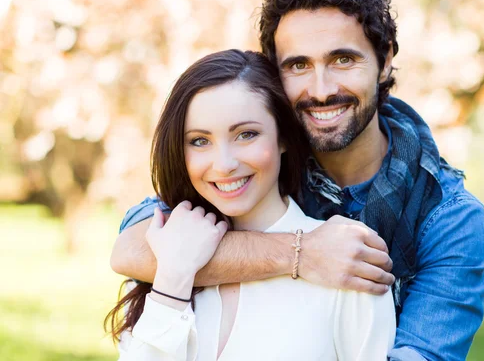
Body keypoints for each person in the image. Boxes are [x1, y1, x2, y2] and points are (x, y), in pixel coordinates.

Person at [111, 0, 484, 360]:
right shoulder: (256, 164)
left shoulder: (448, 217)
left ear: (385, 61)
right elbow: (131, 251)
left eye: (343, 60)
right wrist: (302, 253)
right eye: (298, 65)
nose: (321, 90)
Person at [106, 49, 396, 360]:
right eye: (200, 141)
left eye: (246, 135)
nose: (224, 164)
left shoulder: (347, 260)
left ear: (283, 137)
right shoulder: (165, 254)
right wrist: (172, 281)